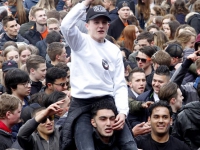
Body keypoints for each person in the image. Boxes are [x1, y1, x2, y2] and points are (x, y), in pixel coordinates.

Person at [60, 0, 137, 149]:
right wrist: (85, 3)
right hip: (82, 103)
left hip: (107, 102)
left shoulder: (114, 50)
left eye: (104, 22)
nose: (101, 26)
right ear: (87, 25)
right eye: (96, 22)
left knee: (130, 145)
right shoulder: (80, 41)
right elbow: (65, 25)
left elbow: (120, 84)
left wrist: (122, 112)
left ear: (109, 25)